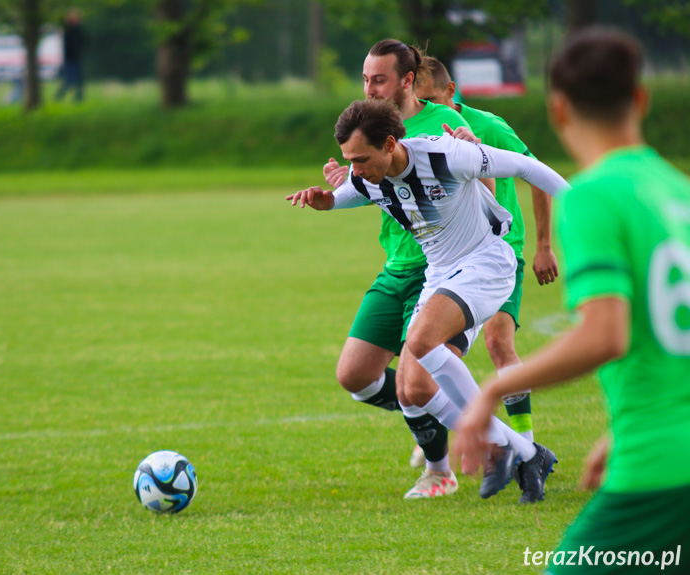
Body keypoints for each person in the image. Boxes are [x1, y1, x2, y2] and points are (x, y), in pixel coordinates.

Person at [454, 28, 690, 570]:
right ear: (641, 100)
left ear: (558, 109)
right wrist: (620, 431)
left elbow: (607, 334)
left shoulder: (591, 195)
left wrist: (496, 387)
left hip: (661, 468)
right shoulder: (674, 189)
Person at [289, 98, 565, 502]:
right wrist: (327, 200)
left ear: (389, 144)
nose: (356, 169)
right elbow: (352, 190)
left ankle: (498, 449)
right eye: (351, 160)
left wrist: (584, 208)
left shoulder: (445, 154)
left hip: (485, 263)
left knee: (419, 341)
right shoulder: (367, 174)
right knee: (414, 390)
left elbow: (525, 167)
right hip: (440, 275)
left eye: (361, 158)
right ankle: (526, 453)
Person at [321, 40, 481, 499]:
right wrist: (339, 188)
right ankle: (433, 409)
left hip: (442, 269)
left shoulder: (447, 122)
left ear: (407, 80)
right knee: (355, 375)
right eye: (365, 79)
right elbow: (369, 185)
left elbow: (484, 186)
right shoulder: (366, 126)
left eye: (380, 79)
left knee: (417, 380)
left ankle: (439, 470)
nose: (370, 87)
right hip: (396, 264)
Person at [415, 56, 560, 444]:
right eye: (418, 100)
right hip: (448, 258)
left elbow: (536, 174)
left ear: (450, 92)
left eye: (432, 99)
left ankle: (525, 443)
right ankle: (458, 433)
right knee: (433, 351)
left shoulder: (487, 127)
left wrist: (544, 245)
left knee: (498, 342)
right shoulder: (415, 134)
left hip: (498, 250)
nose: (425, 108)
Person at [55, 9, 85, 102]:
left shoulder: (78, 30)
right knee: (70, 80)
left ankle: (78, 98)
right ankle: (59, 97)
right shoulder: (67, 31)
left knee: (78, 80)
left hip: (76, 58)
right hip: (69, 59)